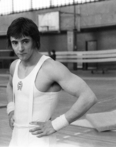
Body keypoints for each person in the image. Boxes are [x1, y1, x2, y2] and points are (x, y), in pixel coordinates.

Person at [6, 17, 97, 147]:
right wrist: (11, 110)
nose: (20, 48)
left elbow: (88, 97)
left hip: (40, 140)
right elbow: (10, 85)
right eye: (15, 43)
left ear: (35, 41)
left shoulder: (51, 68)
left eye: (25, 41)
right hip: (15, 138)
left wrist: (56, 124)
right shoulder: (14, 66)